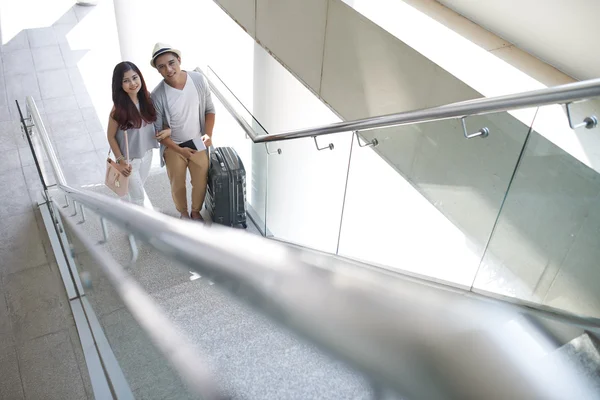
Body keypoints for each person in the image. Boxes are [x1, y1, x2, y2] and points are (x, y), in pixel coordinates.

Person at [149, 43, 215, 220]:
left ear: (179, 60)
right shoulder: (157, 96)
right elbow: (158, 132)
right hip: (173, 147)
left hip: (197, 141)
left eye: (171, 63)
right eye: (162, 67)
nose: (169, 69)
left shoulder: (198, 80)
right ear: (158, 70)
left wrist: (208, 135)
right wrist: (179, 150)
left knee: (200, 181)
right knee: (177, 184)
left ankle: (195, 211)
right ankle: (183, 213)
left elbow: (210, 110)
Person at [106, 61, 171, 209]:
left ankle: (128, 212)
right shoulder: (118, 109)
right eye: (126, 80)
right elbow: (110, 136)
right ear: (119, 84)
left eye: (135, 78)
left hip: (147, 153)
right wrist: (121, 161)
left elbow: (160, 120)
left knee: (137, 188)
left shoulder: (147, 98)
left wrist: (168, 131)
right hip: (130, 162)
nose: (133, 83)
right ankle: (139, 228)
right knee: (138, 198)